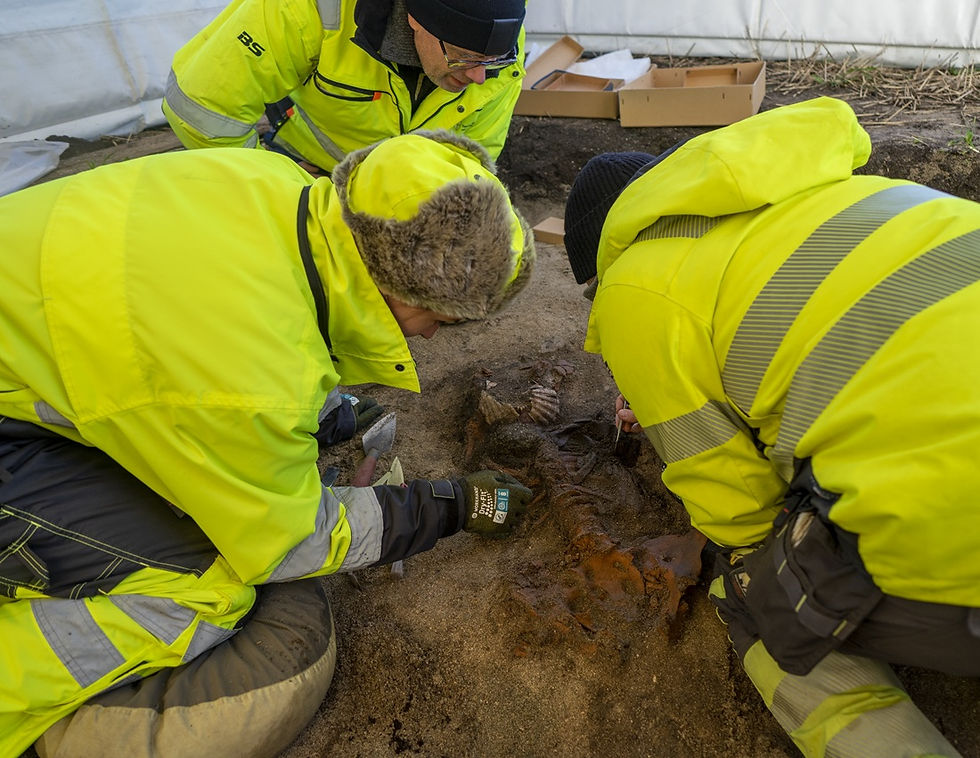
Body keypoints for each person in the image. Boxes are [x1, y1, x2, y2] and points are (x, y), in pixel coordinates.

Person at [0, 129, 535, 757]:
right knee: (209, 586)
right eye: (440, 321)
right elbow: (290, 541)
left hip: (31, 368)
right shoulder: (250, 385)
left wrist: (327, 412)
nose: (436, 338)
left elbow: (215, 324)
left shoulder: (272, 185)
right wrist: (448, 506)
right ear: (398, 288)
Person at [562, 97, 980, 758]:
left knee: (756, 598)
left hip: (959, 521)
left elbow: (743, 518)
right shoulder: (834, 195)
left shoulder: (635, 288)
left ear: (603, 268)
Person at [163, 0, 527, 176]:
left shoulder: (498, 51)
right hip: (303, 167)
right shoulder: (312, 7)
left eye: (492, 61)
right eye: (465, 59)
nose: (480, 76)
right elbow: (200, 108)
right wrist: (276, 183)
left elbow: (473, 164)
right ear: (417, 21)